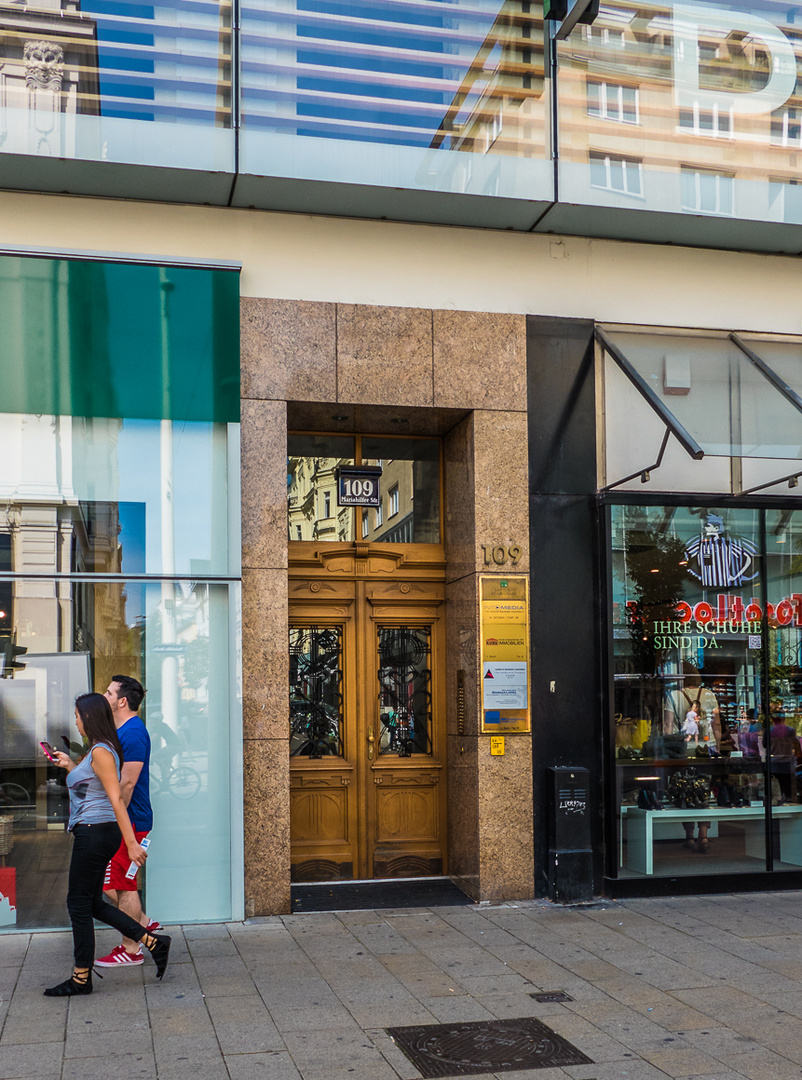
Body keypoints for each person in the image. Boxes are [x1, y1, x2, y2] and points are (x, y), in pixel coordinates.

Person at [45, 693, 170, 996]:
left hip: (97, 833)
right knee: (91, 903)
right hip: (94, 830)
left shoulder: (101, 751)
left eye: (77, 715)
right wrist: (70, 766)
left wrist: (131, 844)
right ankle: (151, 941)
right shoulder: (97, 751)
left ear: (89, 718)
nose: (75, 721)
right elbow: (94, 788)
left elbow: (115, 799)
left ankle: (80, 977)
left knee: (78, 903)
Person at [96, 675, 161, 967]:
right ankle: (144, 924)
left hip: (131, 820)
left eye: (109, 692)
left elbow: (127, 784)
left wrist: (112, 816)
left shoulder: (133, 733)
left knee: (124, 884)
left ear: (122, 701)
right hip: (125, 819)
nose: (105, 695)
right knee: (113, 883)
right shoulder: (122, 729)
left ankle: (131, 949)